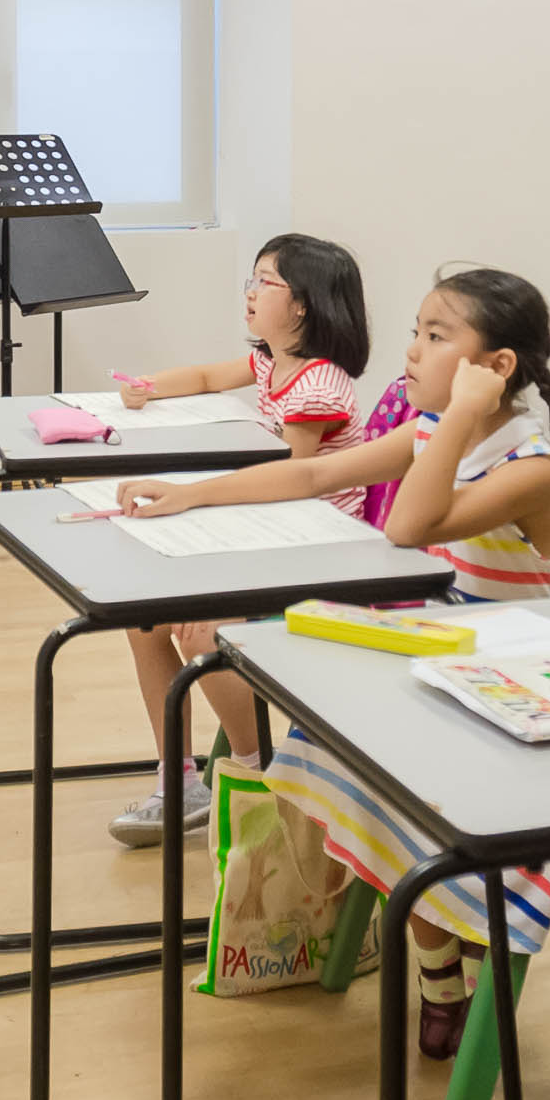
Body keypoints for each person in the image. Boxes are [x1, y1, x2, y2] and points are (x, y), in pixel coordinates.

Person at [118, 268, 550, 1053]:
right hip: (444, 655)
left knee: (382, 764)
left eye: (438, 338)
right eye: (417, 329)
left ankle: (459, 929)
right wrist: (194, 494)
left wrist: (462, 414)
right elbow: (315, 473)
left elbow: (407, 527)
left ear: (496, 366)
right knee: (329, 741)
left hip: (518, 682)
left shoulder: (531, 465)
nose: (410, 351)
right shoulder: (437, 431)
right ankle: (439, 957)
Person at [102, 233, 369, 847]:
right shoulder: (269, 364)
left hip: (318, 553)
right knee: (145, 618)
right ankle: (179, 777)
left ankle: (252, 775)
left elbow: (292, 478)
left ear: (302, 305)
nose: (249, 293)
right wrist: (149, 386)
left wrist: (195, 496)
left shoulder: (321, 386)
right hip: (268, 537)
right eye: (251, 280)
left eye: (265, 282)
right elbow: (201, 375)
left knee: (201, 627)